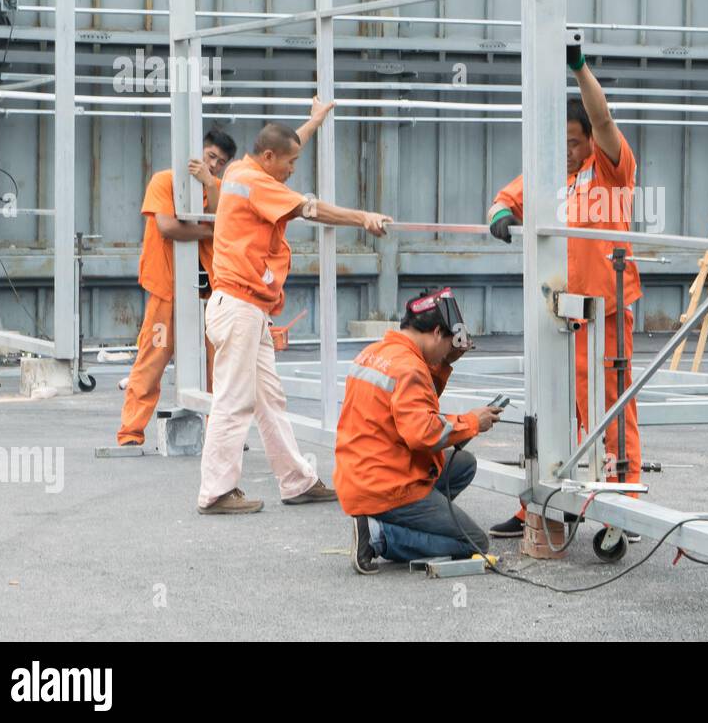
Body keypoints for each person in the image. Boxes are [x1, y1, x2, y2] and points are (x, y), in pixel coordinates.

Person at [196, 98, 394, 515]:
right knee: (234, 400)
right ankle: (215, 491)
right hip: (241, 307)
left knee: (269, 399)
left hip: (244, 308)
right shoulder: (260, 182)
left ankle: (297, 480)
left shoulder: (240, 170)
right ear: (269, 158)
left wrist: (314, 121)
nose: (293, 170)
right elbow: (312, 209)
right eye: (289, 164)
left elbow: (287, 144)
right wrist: (364, 218)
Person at [485, 39, 643, 539]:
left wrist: (578, 68)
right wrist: (500, 216)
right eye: (561, 143)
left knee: (610, 406)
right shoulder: (554, 175)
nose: (567, 151)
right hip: (556, 312)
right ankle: (543, 495)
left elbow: (603, 120)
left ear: (588, 141)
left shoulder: (610, 168)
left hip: (604, 310)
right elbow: (504, 199)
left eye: (573, 142)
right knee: (549, 403)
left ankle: (623, 499)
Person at [335, 288, 502, 573]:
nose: (449, 350)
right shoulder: (410, 367)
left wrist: (443, 364)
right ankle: (379, 536)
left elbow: (415, 407)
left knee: (463, 464)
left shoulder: (375, 352)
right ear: (438, 332)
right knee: (474, 544)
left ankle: (405, 521)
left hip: (362, 472)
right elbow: (423, 433)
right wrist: (473, 421)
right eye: (449, 344)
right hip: (386, 484)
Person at [116, 129, 234, 446]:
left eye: (220, 163)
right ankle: (130, 431)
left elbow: (230, 223)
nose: (213, 166)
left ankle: (220, 435)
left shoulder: (219, 188)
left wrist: (210, 185)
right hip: (167, 289)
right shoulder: (165, 181)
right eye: (210, 157)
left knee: (219, 366)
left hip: (210, 291)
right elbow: (167, 226)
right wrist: (209, 232)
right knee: (153, 358)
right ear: (197, 153)